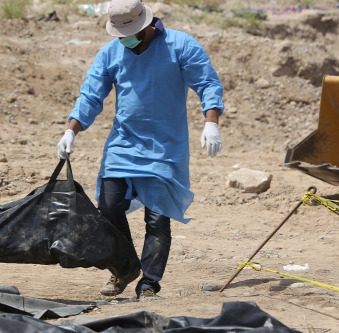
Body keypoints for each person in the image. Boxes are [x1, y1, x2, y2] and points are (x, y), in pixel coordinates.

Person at [56, 0, 224, 298]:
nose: (125, 39)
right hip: (123, 144)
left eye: (130, 32)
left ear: (146, 24)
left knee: (157, 218)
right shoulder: (111, 52)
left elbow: (208, 83)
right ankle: (125, 267)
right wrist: (72, 129)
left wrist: (211, 122)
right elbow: (91, 95)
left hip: (165, 148)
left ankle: (149, 282)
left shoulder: (180, 45)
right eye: (120, 34)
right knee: (108, 209)